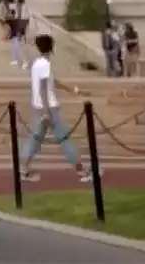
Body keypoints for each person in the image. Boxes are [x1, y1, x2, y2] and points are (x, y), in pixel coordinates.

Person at [17, 34, 89, 183]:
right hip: (48, 108)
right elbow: (43, 88)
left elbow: (52, 81)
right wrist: (46, 112)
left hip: (39, 107)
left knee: (35, 140)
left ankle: (23, 169)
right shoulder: (44, 64)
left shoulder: (38, 63)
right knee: (64, 139)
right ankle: (81, 170)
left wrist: (73, 90)